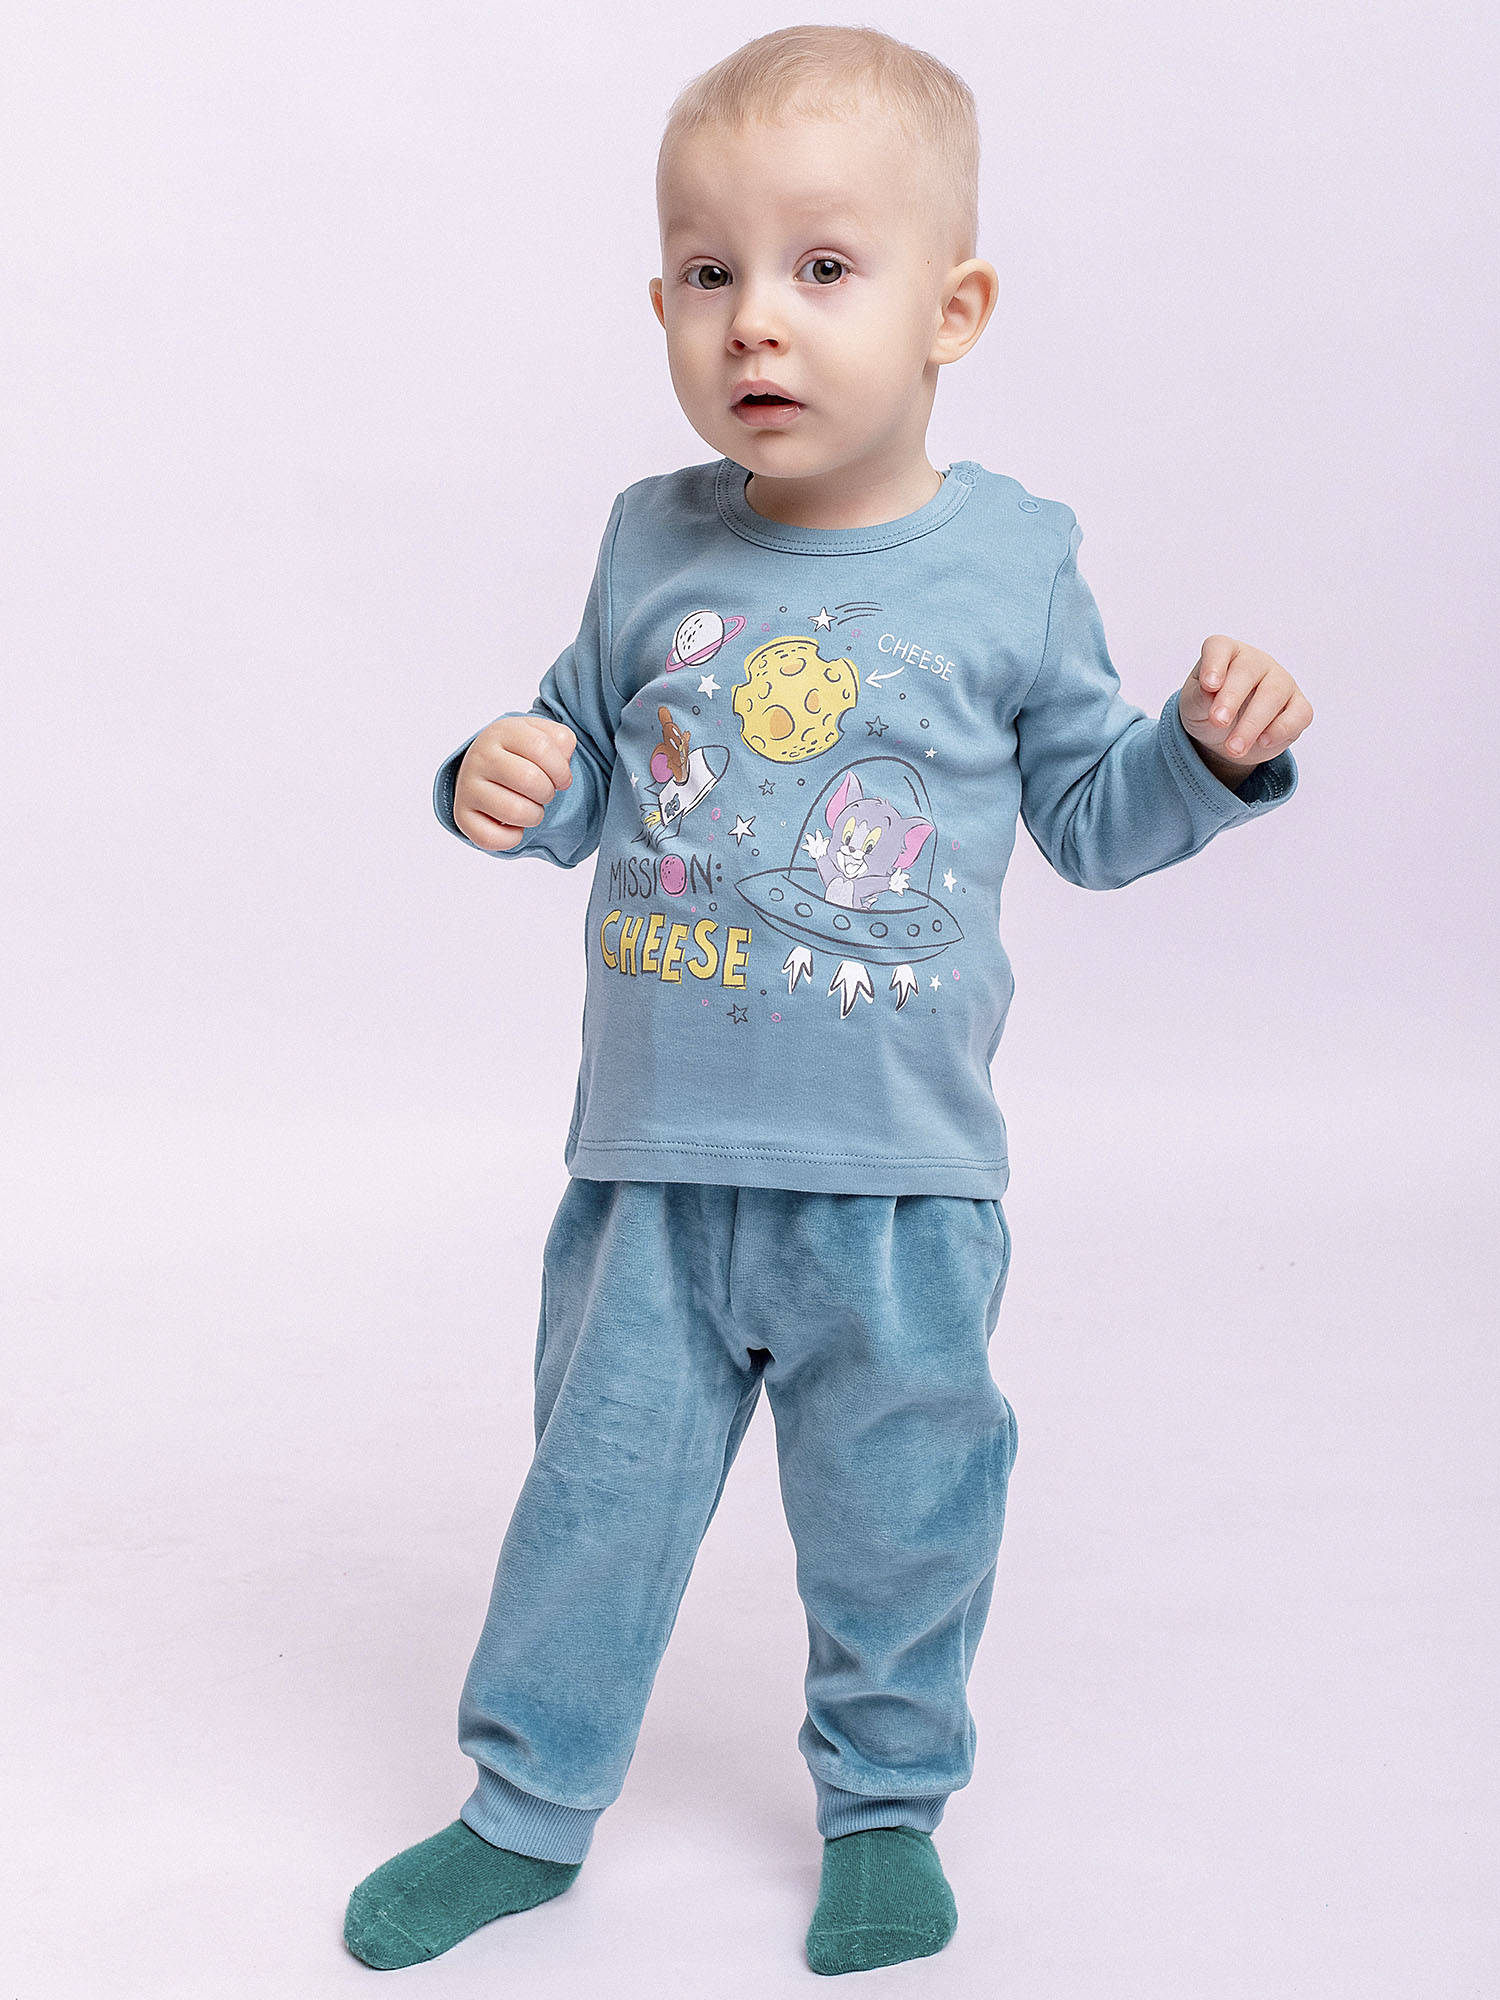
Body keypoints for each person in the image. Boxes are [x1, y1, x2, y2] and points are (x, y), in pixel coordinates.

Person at [343, 23, 1312, 1979]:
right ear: (660, 306)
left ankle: (884, 1806)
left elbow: (1092, 818)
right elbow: (583, 763)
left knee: (903, 1514)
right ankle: (525, 1806)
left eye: (823, 267)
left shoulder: (1014, 565)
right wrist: (496, 776)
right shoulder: (649, 539)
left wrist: (1208, 758)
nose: (756, 321)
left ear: (953, 310)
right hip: (655, 1172)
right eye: (709, 272)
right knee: (593, 1506)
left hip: (898, 1185)